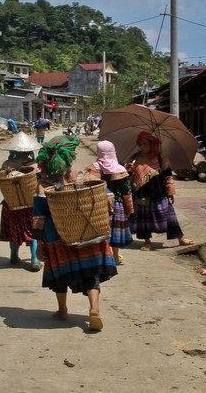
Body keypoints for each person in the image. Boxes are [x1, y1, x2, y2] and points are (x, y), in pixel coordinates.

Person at [34, 136, 117, 331]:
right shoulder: (85, 177)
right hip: (88, 234)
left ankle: (63, 310)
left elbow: (39, 218)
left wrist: (38, 245)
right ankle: (94, 308)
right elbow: (109, 200)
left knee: (60, 276)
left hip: (57, 237)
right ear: (69, 158)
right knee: (91, 275)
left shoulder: (44, 186)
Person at [126, 131, 194, 251]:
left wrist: (170, 192)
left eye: (144, 143)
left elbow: (167, 176)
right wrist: (129, 170)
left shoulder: (160, 158)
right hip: (142, 193)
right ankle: (147, 242)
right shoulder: (134, 159)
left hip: (159, 192)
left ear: (151, 144)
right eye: (139, 144)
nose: (141, 146)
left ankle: (180, 238)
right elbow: (129, 176)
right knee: (144, 219)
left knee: (169, 217)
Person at [84, 140, 134, 265]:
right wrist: (129, 209)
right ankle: (115, 256)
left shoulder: (92, 168)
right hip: (117, 206)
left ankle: (103, 257)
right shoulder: (120, 170)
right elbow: (126, 192)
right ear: (113, 152)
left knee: (101, 232)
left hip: (98, 206)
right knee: (114, 232)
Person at [0, 132, 41, 271]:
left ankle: (14, 255)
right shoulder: (33, 164)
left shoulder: (6, 164)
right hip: (30, 203)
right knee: (33, 231)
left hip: (10, 203)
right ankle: (34, 259)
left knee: (13, 229)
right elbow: (39, 182)